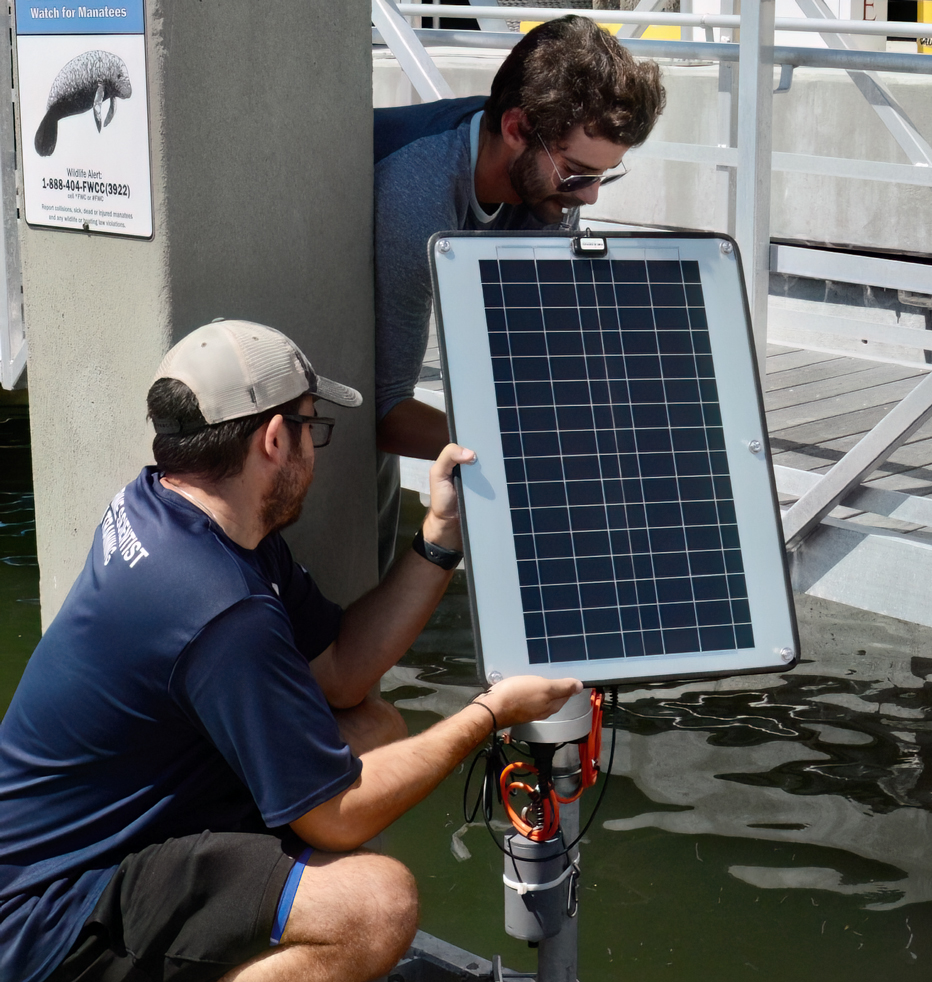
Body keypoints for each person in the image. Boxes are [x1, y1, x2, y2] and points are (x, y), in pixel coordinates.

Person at [0, 319, 580, 982]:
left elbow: (341, 673)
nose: (315, 445)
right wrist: (488, 714)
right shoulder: (217, 608)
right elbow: (337, 818)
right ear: (275, 440)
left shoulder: (181, 510)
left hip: (100, 839)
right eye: (312, 426)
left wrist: (440, 535)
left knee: (375, 728)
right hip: (54, 918)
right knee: (377, 906)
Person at [373, 14, 666, 566]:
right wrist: (531, 450)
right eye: (580, 174)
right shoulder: (416, 192)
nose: (593, 198)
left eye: (607, 176)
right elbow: (384, 412)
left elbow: (539, 362)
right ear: (515, 129)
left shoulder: (546, 186)